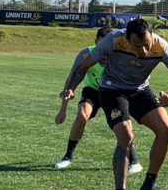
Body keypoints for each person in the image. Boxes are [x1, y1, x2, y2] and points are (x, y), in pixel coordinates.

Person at [60, 18, 168, 190]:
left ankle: (148, 187)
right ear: (127, 38)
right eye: (137, 45)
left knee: (166, 130)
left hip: (140, 90)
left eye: (146, 44)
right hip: (112, 91)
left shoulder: (161, 46)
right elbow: (83, 66)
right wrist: (70, 88)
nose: (144, 51)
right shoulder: (113, 40)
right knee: (126, 136)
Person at [54, 26, 143, 173]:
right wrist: (62, 110)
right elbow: (72, 78)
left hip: (114, 92)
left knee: (121, 124)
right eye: (100, 45)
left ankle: (134, 161)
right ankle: (67, 157)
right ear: (96, 42)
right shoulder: (85, 55)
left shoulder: (118, 55)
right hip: (93, 90)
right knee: (82, 116)